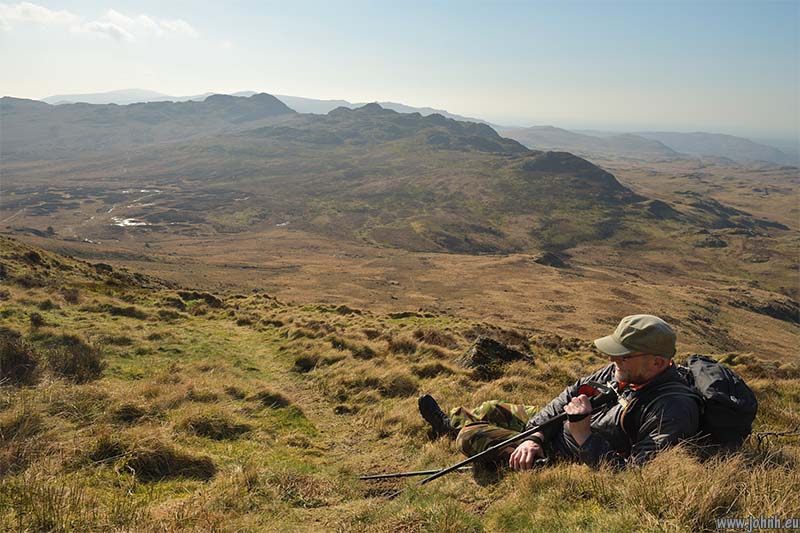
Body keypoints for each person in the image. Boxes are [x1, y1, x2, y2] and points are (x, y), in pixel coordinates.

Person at [418, 314, 702, 469]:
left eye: (623, 355)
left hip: (566, 451)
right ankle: (447, 425)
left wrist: (583, 436)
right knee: (492, 407)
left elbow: (635, 474)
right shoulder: (622, 371)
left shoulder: (672, 409)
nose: (613, 361)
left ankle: (475, 440)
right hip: (554, 430)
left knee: (472, 436)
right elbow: (570, 394)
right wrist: (535, 435)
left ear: (657, 362)